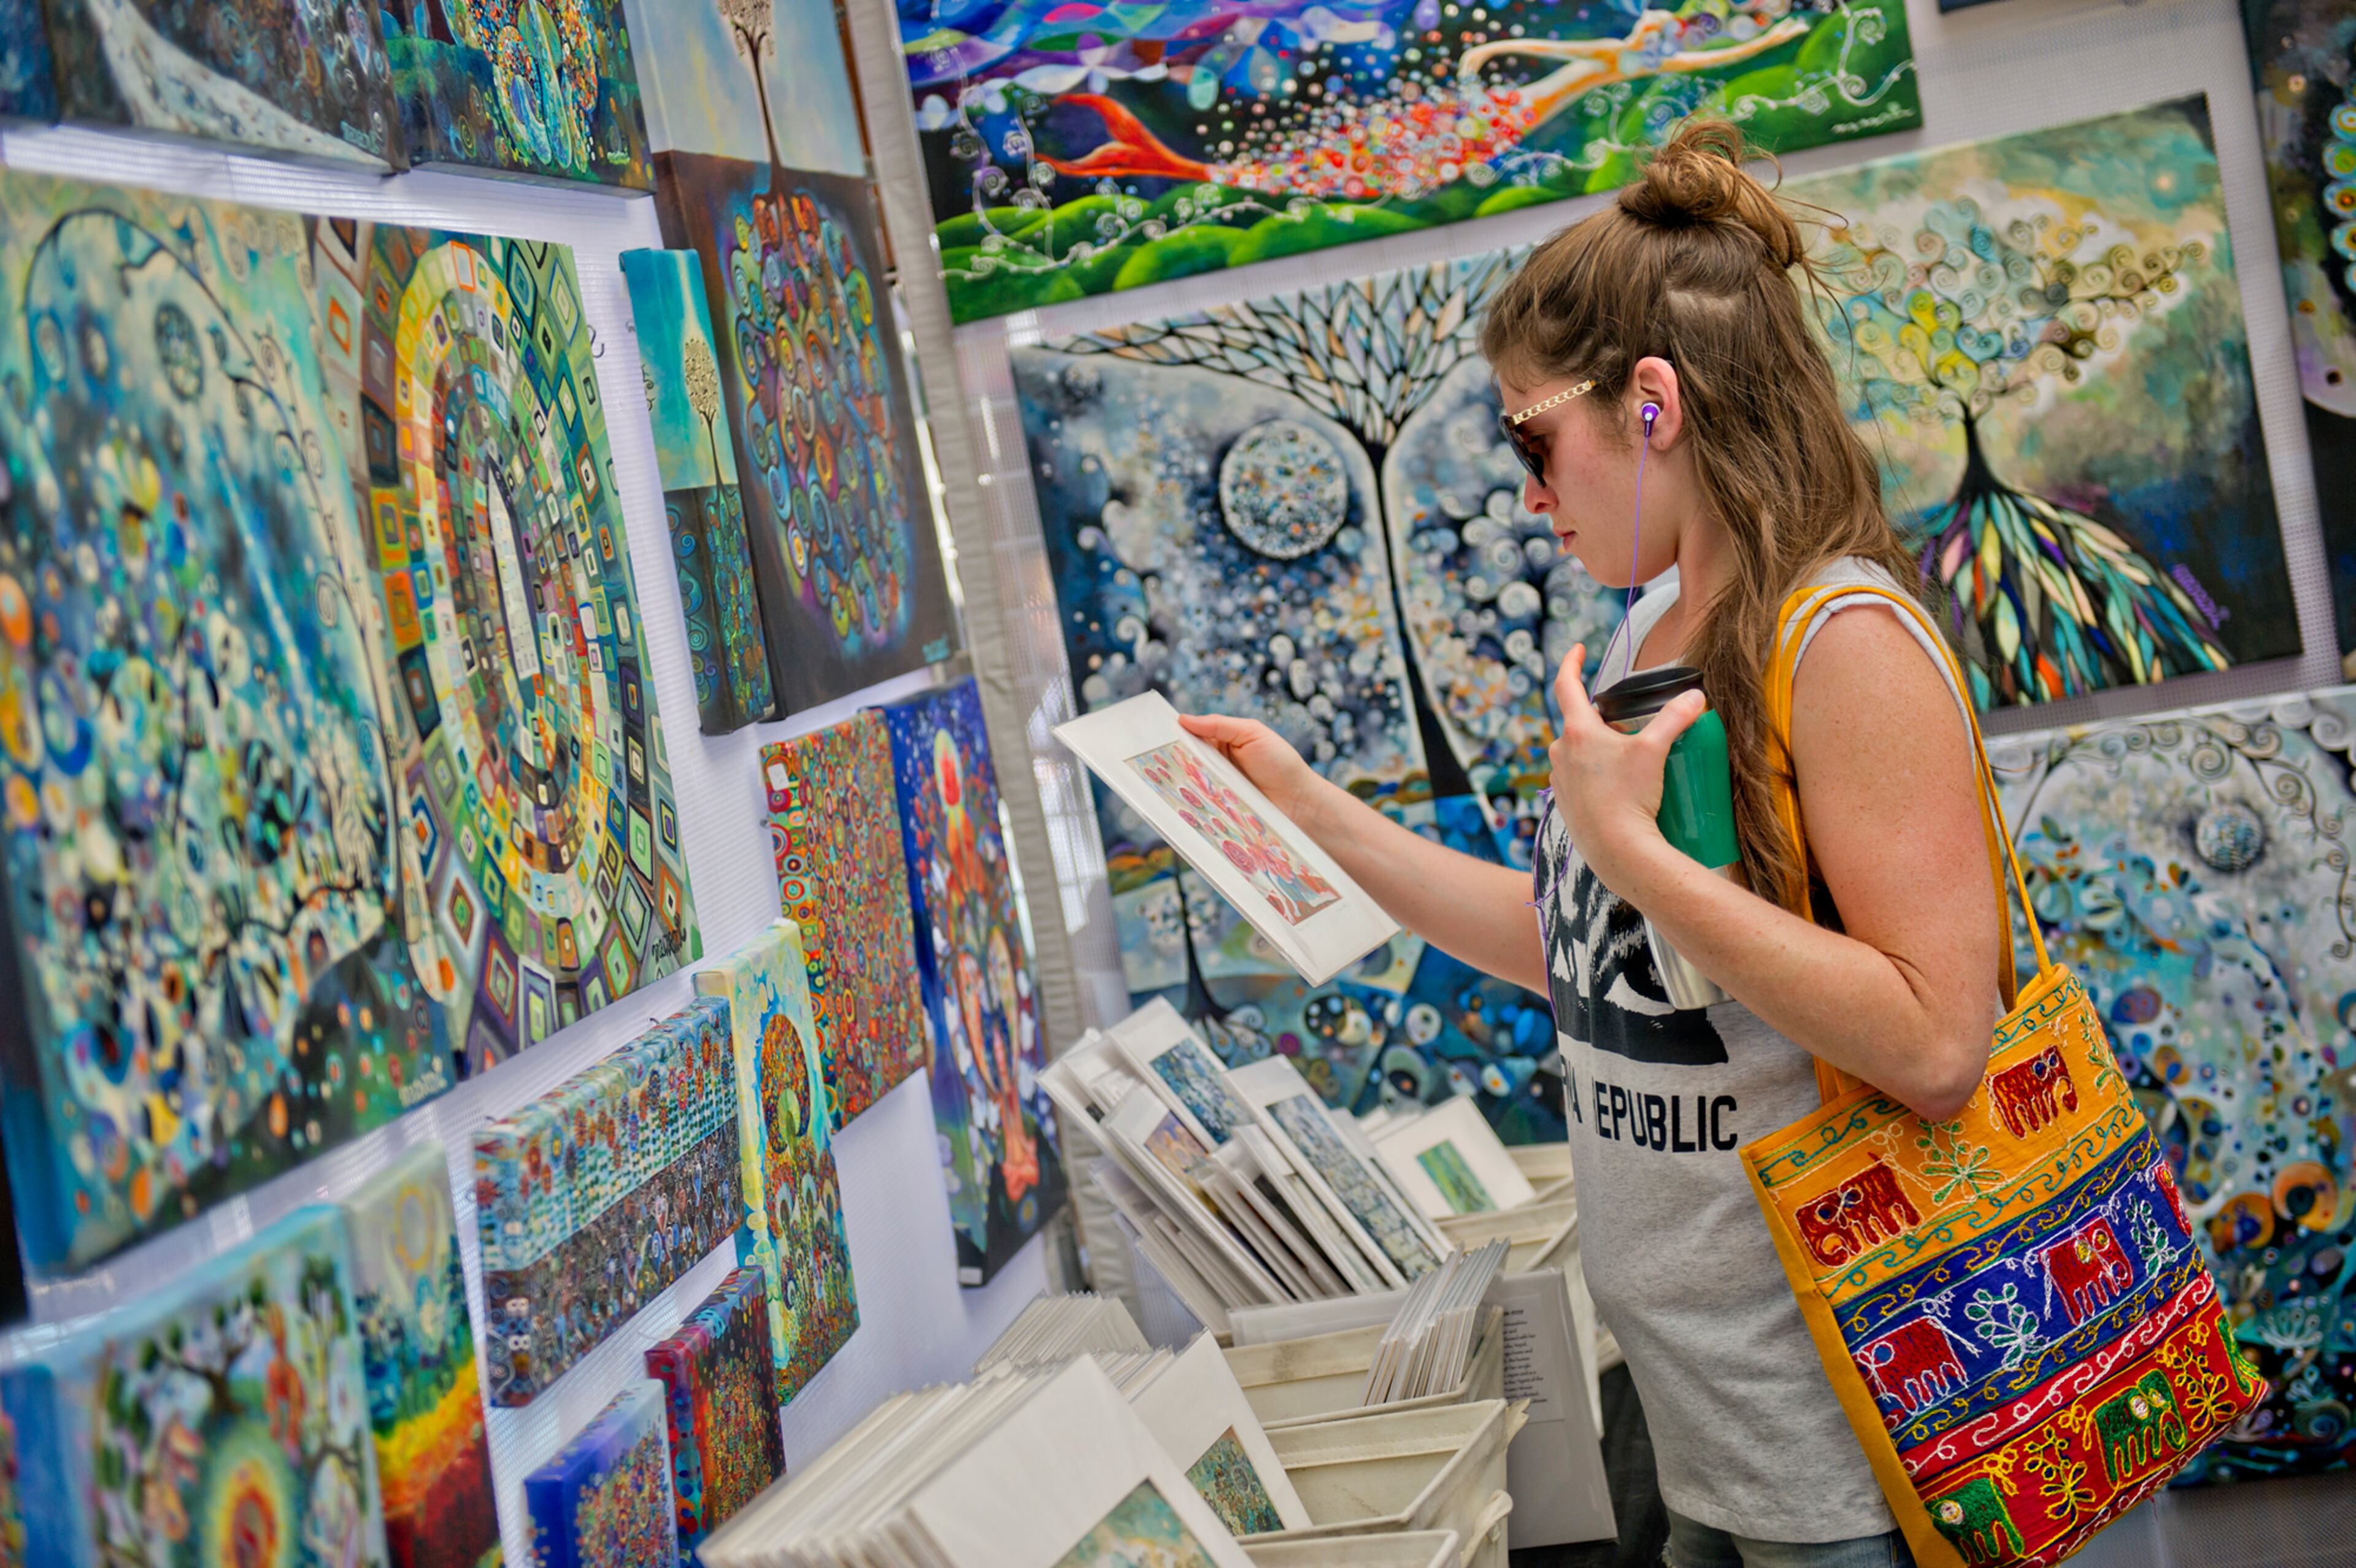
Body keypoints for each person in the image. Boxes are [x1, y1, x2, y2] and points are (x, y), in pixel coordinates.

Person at [1181, 120, 2000, 1568]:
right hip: (1715, 1435)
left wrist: (1635, 856)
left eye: (1530, 437)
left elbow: (1937, 1044)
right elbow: (1581, 961)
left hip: (1852, 1446)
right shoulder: (1649, 633)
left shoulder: (1845, 640)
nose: (1526, 490)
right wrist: (1306, 804)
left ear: (1655, 405)